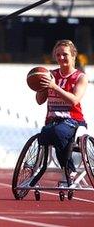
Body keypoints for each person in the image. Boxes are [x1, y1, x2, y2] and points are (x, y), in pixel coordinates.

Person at [36, 40, 88, 183]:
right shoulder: (50, 75)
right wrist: (40, 85)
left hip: (74, 120)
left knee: (58, 132)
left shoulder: (80, 77)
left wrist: (55, 87)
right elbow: (39, 100)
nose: (61, 58)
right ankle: (38, 171)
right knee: (44, 135)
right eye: (58, 55)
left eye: (65, 54)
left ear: (73, 56)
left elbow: (74, 100)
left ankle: (68, 169)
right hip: (52, 121)